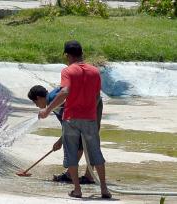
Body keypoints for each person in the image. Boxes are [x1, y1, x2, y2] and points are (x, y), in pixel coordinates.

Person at [38, 40, 111, 199]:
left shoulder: (68, 71)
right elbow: (97, 96)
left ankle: (77, 190)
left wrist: (47, 110)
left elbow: (65, 91)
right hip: (90, 118)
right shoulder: (95, 72)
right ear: (81, 53)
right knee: (95, 152)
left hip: (71, 118)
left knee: (71, 154)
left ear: (67, 55)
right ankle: (104, 189)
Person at [28, 85, 103, 184]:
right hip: (88, 103)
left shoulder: (53, 100)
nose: (36, 105)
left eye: (35, 102)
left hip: (93, 103)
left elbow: (71, 123)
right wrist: (61, 140)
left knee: (89, 139)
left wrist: (60, 141)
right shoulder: (52, 102)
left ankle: (89, 176)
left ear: (38, 98)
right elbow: (67, 124)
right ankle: (70, 175)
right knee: (79, 139)